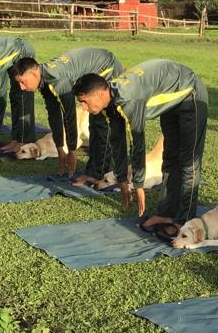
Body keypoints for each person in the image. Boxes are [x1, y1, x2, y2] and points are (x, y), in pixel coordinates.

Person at [73, 60, 207, 240]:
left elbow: (137, 143)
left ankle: (185, 221)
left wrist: (138, 185)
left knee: (189, 162)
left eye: (85, 102)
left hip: (190, 93)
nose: (83, 107)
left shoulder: (129, 99)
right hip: (170, 98)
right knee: (170, 158)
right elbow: (117, 140)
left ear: (100, 93)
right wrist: (121, 180)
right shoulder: (110, 102)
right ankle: (166, 213)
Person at [9, 48, 124, 180]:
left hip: (107, 67)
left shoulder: (58, 80)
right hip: (93, 68)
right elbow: (54, 116)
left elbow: (70, 116)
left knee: (100, 122)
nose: (22, 87)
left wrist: (72, 151)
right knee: (93, 124)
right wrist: (60, 150)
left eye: (23, 82)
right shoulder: (45, 82)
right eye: (19, 83)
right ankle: (93, 171)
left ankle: (98, 174)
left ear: (35, 74)